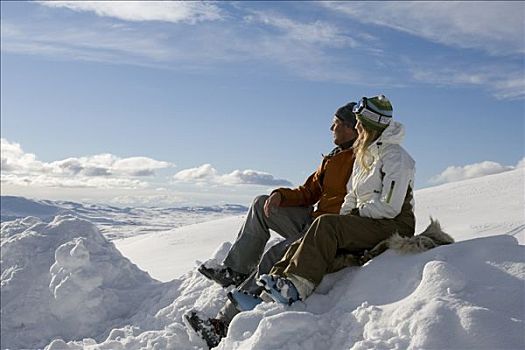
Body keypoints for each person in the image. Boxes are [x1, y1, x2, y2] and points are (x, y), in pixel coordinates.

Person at [187, 101, 359, 348]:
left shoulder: (361, 159)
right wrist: (280, 195)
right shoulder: (334, 157)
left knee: (276, 254)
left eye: (337, 123)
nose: (331, 127)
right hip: (312, 222)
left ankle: (222, 324)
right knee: (261, 204)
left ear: (352, 128)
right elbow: (309, 191)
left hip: (327, 232)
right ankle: (236, 269)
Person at [257, 94, 416, 305]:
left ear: (369, 125)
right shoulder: (365, 154)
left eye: (359, 123)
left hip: (393, 224)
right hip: (370, 219)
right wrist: (346, 215)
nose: (356, 127)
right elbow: (352, 194)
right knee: (307, 237)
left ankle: (297, 285)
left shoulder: (395, 157)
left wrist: (354, 215)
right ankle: (268, 293)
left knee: (326, 224)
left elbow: (389, 207)